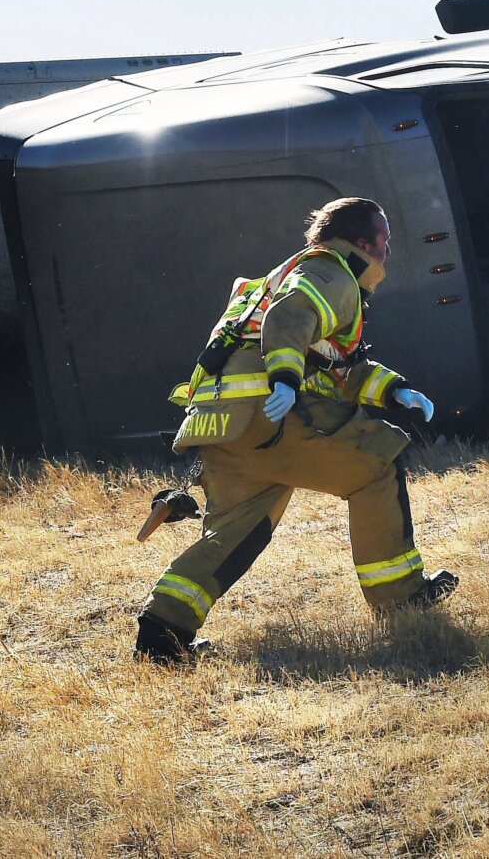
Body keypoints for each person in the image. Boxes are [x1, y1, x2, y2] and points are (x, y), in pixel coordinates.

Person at [136, 197, 458, 663]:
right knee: (376, 465)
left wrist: (394, 391)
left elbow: (336, 367)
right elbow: (289, 322)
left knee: (235, 532)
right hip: (271, 414)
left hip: (222, 425)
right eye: (385, 239)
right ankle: (401, 599)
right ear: (363, 242)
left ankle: (161, 635)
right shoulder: (331, 272)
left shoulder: (282, 275)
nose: (389, 249)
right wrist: (286, 380)